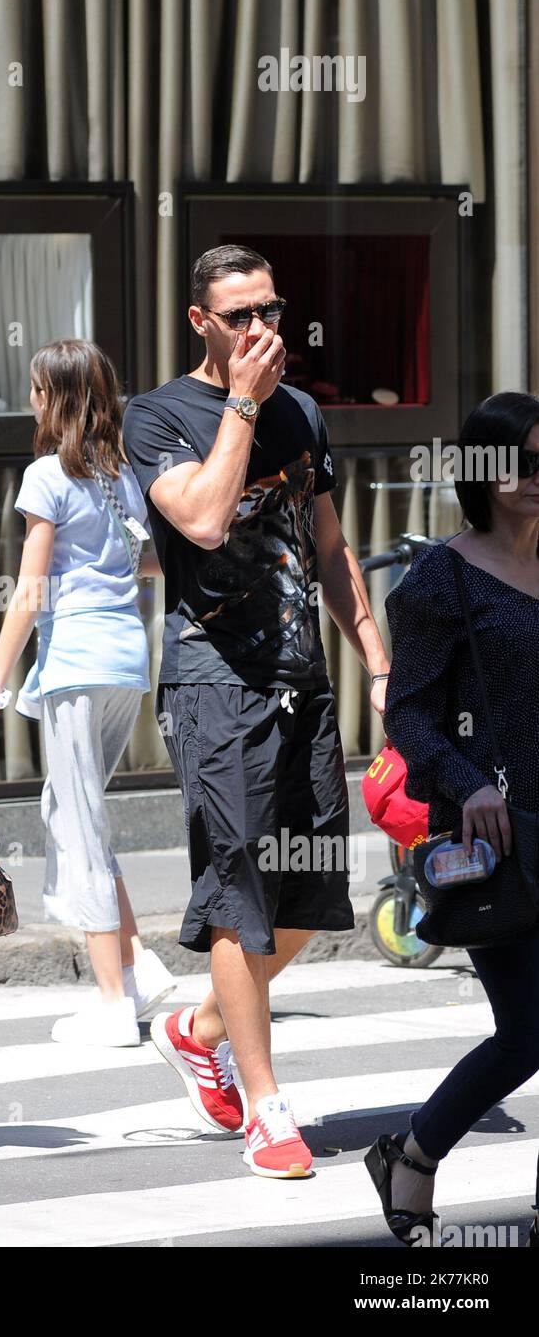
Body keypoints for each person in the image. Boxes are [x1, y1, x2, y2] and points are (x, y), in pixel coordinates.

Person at [121, 244, 390, 1178]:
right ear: (201, 322)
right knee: (240, 903)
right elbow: (196, 518)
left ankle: (197, 1028)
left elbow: (328, 546)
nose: (261, 329)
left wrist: (381, 667)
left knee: (310, 897)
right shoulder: (155, 415)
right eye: (240, 315)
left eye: (270, 310)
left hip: (299, 679)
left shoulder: (306, 413)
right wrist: (240, 402)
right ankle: (266, 1107)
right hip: (211, 683)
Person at [0, 338, 176, 1046]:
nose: (29, 400)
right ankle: (138, 966)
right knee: (76, 809)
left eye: (33, 388)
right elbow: (144, 561)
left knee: (77, 824)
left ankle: (113, 1003)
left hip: (79, 661)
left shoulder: (48, 475)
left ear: (54, 399)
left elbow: (30, 588)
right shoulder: (119, 475)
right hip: (122, 661)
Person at [367, 392, 539, 1246]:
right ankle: (414, 1151)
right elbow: (406, 717)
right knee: (527, 1032)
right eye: (525, 463)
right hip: (495, 837)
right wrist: (467, 783)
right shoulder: (442, 576)